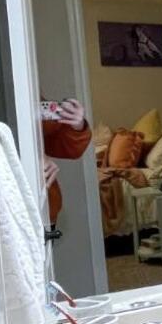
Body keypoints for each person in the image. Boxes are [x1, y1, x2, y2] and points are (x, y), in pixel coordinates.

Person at [42, 97, 91, 229]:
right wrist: (37, 155)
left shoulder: (31, 92)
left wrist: (77, 126)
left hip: (44, 206)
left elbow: (71, 148)